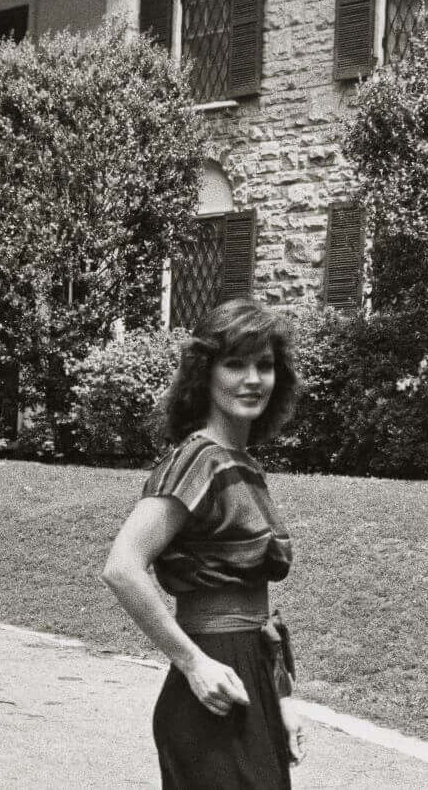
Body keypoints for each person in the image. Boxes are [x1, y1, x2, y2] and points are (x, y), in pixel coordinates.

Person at [102, 299, 305, 789]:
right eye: (235, 364)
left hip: (250, 670)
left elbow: (259, 612)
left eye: (264, 365)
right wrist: (192, 662)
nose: (252, 379)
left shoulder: (242, 464)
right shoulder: (200, 460)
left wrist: (283, 699)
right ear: (205, 375)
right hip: (213, 679)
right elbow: (122, 566)